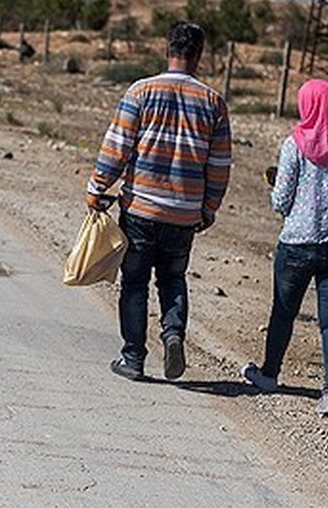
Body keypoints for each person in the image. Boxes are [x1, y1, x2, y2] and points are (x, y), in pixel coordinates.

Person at [85, 21, 233, 382]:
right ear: (199, 56)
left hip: (140, 208)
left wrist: (96, 186)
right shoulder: (214, 103)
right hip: (184, 214)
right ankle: (172, 334)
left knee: (134, 283)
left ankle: (133, 358)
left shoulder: (141, 91)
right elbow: (219, 165)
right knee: (172, 278)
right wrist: (209, 207)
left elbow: (117, 146)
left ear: (167, 51)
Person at [241, 78, 328, 417]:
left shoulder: (294, 145)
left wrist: (287, 204)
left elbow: (281, 199)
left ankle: (269, 375)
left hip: (298, 242)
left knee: (284, 312)